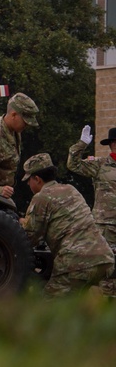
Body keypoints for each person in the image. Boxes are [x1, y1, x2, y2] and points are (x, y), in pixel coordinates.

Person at [20, 153, 114, 297]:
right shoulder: (71, 189)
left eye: (29, 180)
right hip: (103, 258)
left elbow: (30, 237)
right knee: (75, 306)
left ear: (37, 179)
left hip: (76, 262)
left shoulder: (41, 197)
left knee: (48, 306)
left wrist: (21, 225)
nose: (28, 184)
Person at [67, 125, 116, 296]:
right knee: (106, 269)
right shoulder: (99, 165)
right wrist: (81, 144)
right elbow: (73, 164)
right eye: (115, 143)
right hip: (105, 225)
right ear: (111, 145)